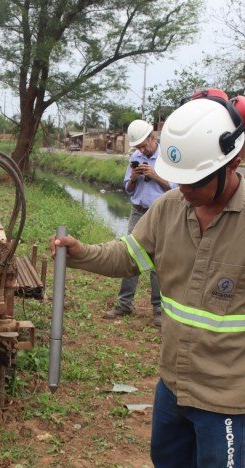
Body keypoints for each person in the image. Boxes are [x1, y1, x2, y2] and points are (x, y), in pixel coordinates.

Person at [52, 90, 245, 468]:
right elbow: (128, 256)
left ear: (233, 162)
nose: (184, 187)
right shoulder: (170, 207)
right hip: (172, 384)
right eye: (180, 176)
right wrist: (82, 254)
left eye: (196, 179)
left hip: (227, 398)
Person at [103, 119, 175, 326]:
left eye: (145, 145)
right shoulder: (136, 157)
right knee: (131, 256)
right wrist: (134, 177)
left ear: (154, 137)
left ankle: (158, 311)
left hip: (161, 214)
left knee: (157, 263)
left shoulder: (167, 158)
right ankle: (125, 304)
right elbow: (128, 188)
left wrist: (156, 176)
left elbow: (177, 190)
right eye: (139, 147)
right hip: (138, 213)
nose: (142, 150)